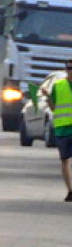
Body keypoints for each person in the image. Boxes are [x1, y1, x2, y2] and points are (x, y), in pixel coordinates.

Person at [47, 59, 72, 202]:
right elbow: (53, 108)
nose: (71, 71)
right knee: (64, 160)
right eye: (69, 68)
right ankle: (70, 190)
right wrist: (48, 97)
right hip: (62, 128)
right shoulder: (58, 86)